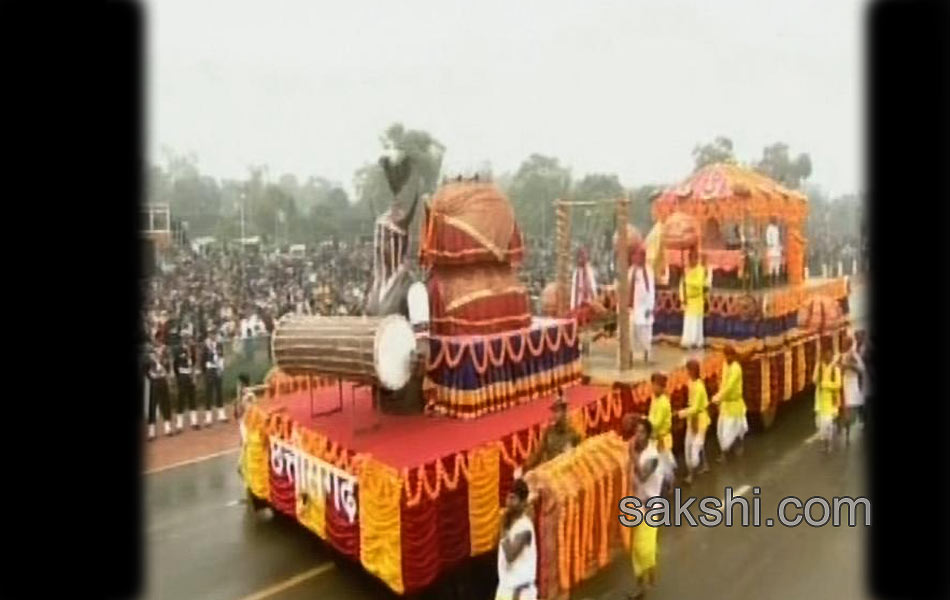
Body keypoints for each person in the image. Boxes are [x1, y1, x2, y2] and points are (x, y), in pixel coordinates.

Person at [628, 417, 663, 599]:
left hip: (650, 506)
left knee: (643, 549)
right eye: (636, 432)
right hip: (637, 504)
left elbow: (642, 476)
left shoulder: (653, 457)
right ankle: (640, 587)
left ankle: (650, 570)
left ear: (648, 435)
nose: (637, 436)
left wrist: (632, 456)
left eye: (642, 432)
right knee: (636, 549)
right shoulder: (638, 452)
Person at [521, 389, 582, 472]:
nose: (555, 415)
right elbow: (538, 454)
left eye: (559, 411)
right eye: (555, 411)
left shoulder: (574, 434)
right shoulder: (549, 432)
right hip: (550, 473)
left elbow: (579, 459)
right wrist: (525, 468)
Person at [495, 478, 537, 600]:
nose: (508, 502)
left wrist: (503, 527)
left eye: (513, 498)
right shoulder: (510, 524)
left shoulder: (525, 527)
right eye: (508, 498)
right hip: (505, 588)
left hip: (520, 593)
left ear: (523, 502)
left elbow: (510, 555)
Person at [677, 359, 711, 484]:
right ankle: (704, 465)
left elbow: (697, 407)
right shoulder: (690, 383)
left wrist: (681, 413)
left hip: (699, 420)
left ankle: (691, 474)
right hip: (692, 419)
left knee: (694, 447)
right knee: (691, 445)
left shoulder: (700, 387)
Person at [712, 345, 748, 461]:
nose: (726, 358)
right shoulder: (725, 365)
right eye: (725, 356)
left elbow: (729, 387)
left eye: (728, 356)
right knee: (721, 429)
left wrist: (718, 396)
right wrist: (719, 397)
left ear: (732, 356)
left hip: (734, 404)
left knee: (730, 430)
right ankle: (728, 448)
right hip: (725, 404)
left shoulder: (736, 368)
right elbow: (723, 383)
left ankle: (725, 452)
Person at [647, 373, 675, 490]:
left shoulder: (663, 402)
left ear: (661, 387)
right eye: (652, 385)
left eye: (655, 386)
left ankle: (668, 485)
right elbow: (651, 416)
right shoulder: (655, 399)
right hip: (654, 438)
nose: (653, 388)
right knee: (661, 466)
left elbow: (656, 423)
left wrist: (645, 424)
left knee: (663, 466)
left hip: (662, 439)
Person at [814, 346, 842, 454]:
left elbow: (838, 385)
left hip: (831, 400)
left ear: (832, 355)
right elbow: (814, 380)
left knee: (828, 424)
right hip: (820, 400)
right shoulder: (819, 367)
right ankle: (825, 444)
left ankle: (828, 445)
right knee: (821, 425)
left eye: (829, 354)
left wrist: (825, 385)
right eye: (825, 354)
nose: (827, 356)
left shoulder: (836, 369)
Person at [630, 247, 656, 364]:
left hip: (648, 308)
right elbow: (628, 290)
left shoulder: (649, 270)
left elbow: (652, 290)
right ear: (634, 257)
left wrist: (651, 307)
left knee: (647, 331)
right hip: (635, 308)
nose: (642, 257)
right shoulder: (632, 272)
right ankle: (632, 356)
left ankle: (647, 355)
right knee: (635, 331)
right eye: (640, 255)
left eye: (644, 255)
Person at [838, 334, 865, 445]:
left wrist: (850, 366)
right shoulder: (841, 356)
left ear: (849, 344)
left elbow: (861, 369)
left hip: (853, 384)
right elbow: (838, 368)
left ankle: (862, 420)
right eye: (843, 342)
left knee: (857, 406)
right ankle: (846, 434)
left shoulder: (854, 355)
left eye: (845, 342)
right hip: (844, 383)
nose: (843, 344)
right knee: (845, 409)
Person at [679, 247, 706, 349]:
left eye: (693, 258)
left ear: (697, 259)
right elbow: (682, 285)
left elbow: (699, 284)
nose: (691, 260)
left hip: (697, 299)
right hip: (688, 300)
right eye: (690, 258)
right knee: (688, 322)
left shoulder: (700, 270)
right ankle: (687, 341)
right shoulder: (686, 270)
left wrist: (688, 280)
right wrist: (682, 298)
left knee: (696, 322)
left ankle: (696, 342)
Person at [147, 344, 173, 439]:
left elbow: (168, 367)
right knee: (152, 405)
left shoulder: (165, 354)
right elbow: (145, 368)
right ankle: (152, 431)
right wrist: (150, 377)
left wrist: (168, 376)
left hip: (163, 380)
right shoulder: (149, 355)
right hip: (154, 382)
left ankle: (167, 427)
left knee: (165, 403)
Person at [173, 335, 198, 431]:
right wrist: (178, 377)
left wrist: (194, 376)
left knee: (192, 398)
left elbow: (194, 362)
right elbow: (175, 364)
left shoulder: (191, 350)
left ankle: (194, 421)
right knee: (181, 399)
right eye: (184, 339)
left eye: (187, 339)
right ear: (181, 340)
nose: (186, 341)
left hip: (190, 375)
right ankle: (179, 424)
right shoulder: (178, 350)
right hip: (182, 375)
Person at [202, 331, 227, 426]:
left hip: (217, 369)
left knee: (219, 391)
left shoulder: (219, 344)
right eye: (210, 334)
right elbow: (202, 359)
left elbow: (222, 356)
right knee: (208, 393)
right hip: (209, 369)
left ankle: (221, 414)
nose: (212, 335)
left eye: (214, 333)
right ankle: (208, 417)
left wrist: (221, 368)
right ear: (208, 335)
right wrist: (205, 371)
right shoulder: (205, 345)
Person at [765, 217, 782, 285]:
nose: (776, 221)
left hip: (777, 250)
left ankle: (776, 280)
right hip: (772, 250)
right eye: (775, 220)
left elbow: (777, 239)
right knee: (771, 266)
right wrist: (770, 245)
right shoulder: (769, 229)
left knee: (777, 265)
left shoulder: (776, 228)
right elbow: (768, 239)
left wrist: (779, 246)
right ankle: (770, 281)